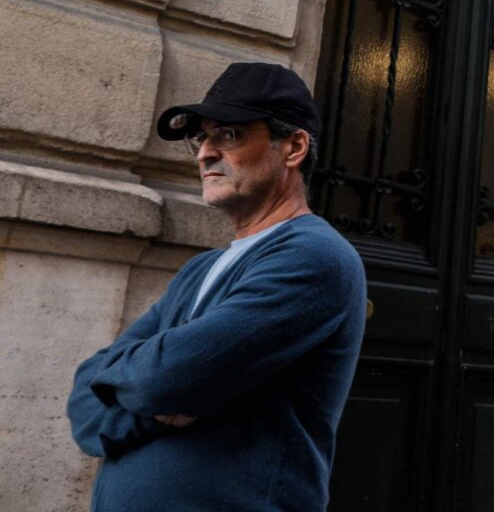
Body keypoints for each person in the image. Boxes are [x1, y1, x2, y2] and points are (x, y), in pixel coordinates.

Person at [66, 62, 367, 511]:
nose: (204, 153)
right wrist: (156, 411)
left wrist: (146, 387)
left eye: (229, 135)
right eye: (202, 138)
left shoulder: (313, 257)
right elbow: (85, 399)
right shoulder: (201, 268)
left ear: (293, 146)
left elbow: (166, 377)